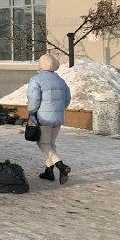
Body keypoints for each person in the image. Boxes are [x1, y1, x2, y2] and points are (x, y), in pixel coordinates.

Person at [27, 54, 72, 185]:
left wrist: (31, 112)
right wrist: (58, 109)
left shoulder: (36, 79)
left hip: (44, 117)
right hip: (58, 118)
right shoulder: (60, 80)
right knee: (51, 144)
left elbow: (34, 101)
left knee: (43, 144)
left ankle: (61, 166)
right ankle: (49, 172)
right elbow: (67, 99)